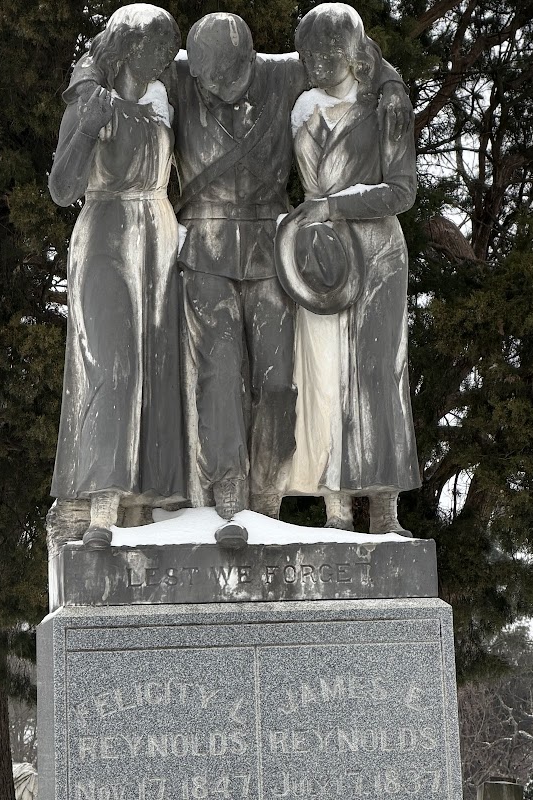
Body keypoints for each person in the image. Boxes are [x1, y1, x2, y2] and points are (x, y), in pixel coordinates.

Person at [168, 12, 413, 544]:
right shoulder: (179, 73)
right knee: (219, 372)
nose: (223, 93)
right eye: (214, 85)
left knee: (279, 383)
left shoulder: (282, 74)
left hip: (272, 251)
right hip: (205, 248)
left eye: (232, 79)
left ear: (250, 60)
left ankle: (268, 496)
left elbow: (349, 46)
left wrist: (391, 81)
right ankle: (229, 491)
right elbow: (116, 48)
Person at [276, 3, 421, 533]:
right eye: (310, 50)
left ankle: (384, 511)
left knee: (378, 378)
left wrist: (335, 206)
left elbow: (402, 192)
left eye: (332, 48)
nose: (319, 60)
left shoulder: (385, 106)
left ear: (355, 51)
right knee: (322, 377)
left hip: (376, 255)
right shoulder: (300, 108)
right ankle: (335, 511)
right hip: (318, 258)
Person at [49, 4, 184, 549]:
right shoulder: (92, 102)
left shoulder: (161, 101)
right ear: (129, 48)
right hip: (106, 233)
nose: (165, 58)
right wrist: (85, 124)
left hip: (158, 239)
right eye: (156, 48)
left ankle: (145, 505)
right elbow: (61, 187)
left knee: (159, 368)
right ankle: (99, 503)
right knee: (111, 363)